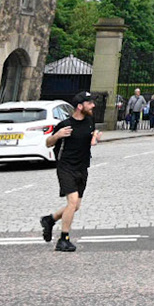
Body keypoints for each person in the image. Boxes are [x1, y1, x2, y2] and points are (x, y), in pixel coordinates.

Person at [39, 92, 101, 252]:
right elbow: (48, 143)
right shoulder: (65, 124)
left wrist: (95, 138)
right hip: (66, 167)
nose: (93, 106)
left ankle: (50, 220)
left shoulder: (90, 121)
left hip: (82, 167)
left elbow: (91, 135)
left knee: (75, 206)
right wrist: (57, 135)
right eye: (89, 103)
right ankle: (63, 239)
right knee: (72, 202)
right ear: (80, 106)